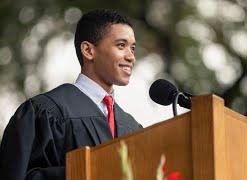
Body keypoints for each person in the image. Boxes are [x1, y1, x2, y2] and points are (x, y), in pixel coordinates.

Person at [0, 9, 142, 180]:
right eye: (121, 45)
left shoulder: (132, 127)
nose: (131, 57)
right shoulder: (44, 112)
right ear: (88, 50)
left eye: (132, 48)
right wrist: (85, 172)